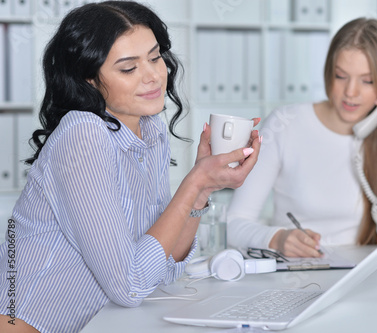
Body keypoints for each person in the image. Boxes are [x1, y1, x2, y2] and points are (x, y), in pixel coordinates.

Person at [0, 1, 261, 332]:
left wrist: (203, 190)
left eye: (155, 58)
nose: (153, 76)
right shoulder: (83, 134)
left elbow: (164, 270)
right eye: (128, 68)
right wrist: (193, 183)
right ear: (90, 79)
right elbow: (130, 285)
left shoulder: (149, 129)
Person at [227, 18, 377, 258]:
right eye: (341, 76)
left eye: (367, 81)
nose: (351, 92)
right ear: (329, 73)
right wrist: (276, 238)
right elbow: (234, 224)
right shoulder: (285, 124)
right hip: (295, 276)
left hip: (364, 279)